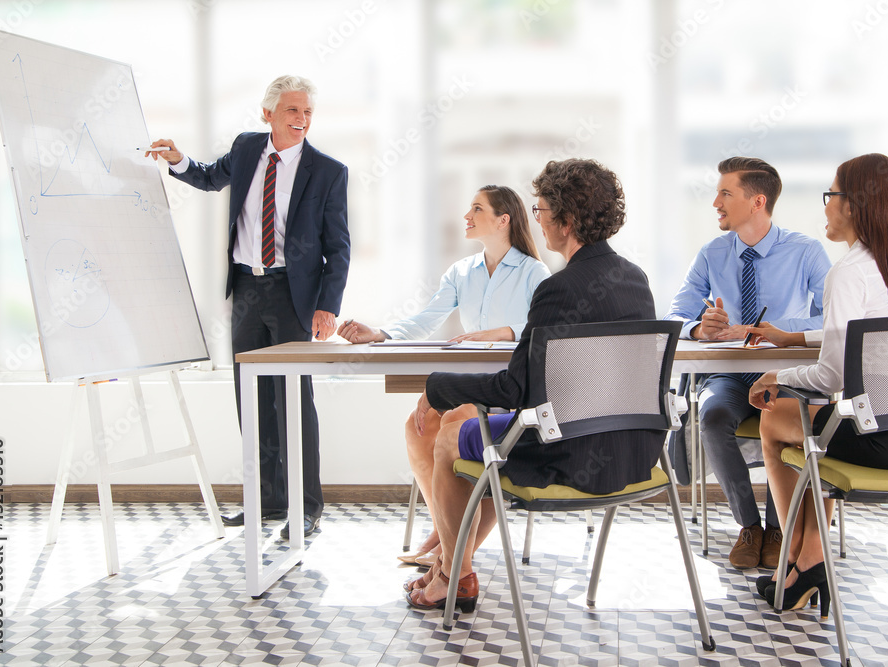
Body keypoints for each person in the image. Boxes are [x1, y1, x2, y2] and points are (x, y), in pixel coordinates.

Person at [404, 158, 659, 611]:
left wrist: (438, 387)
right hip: (634, 452)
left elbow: (513, 390)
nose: (537, 220)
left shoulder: (557, 289)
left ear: (567, 219)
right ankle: (448, 562)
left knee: (449, 437)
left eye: (541, 210)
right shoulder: (635, 279)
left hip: (567, 454)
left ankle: (454, 575)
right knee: (470, 431)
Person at [747, 153, 888, 614]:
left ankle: (797, 556)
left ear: (854, 205)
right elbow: (872, 334)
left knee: (775, 420)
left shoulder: (847, 271)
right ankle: (808, 558)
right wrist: (799, 337)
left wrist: (778, 375)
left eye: (831, 196)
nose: (825, 207)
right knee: (812, 431)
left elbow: (833, 375)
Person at [146, 75, 350, 538]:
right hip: (245, 289)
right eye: (292, 111)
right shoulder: (245, 149)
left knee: (293, 401)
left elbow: (338, 248)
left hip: (293, 295)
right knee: (252, 400)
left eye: (307, 113)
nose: (301, 120)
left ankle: (307, 506)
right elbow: (209, 177)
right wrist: (178, 160)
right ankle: (268, 501)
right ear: (268, 114)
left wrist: (327, 306)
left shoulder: (328, 171)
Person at [336, 185, 550, 568]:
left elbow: (546, 327)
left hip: (513, 388)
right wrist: (380, 334)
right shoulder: (461, 272)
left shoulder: (535, 272)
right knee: (416, 427)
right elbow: (426, 320)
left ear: (503, 220)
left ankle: (449, 551)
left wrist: (505, 331)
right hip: (471, 384)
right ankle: (447, 535)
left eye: (477, 209)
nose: (466, 216)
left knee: (456, 421)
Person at [665, 156, 831, 570]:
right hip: (728, 374)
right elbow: (675, 316)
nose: (715, 203)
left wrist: (767, 329)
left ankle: (780, 527)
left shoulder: (806, 251)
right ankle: (750, 526)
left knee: (792, 421)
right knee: (714, 416)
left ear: (757, 201)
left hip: (784, 374)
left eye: (725, 193)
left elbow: (831, 317)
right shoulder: (711, 254)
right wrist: (700, 329)